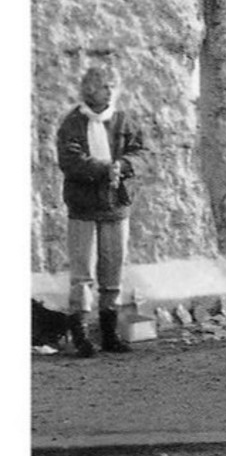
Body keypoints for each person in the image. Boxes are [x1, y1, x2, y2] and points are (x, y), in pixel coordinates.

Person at [55, 65, 145, 357]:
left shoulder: (122, 119)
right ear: (90, 89)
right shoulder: (73, 123)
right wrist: (107, 168)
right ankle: (80, 332)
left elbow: (140, 151)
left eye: (113, 86)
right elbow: (71, 160)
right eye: (105, 86)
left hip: (116, 205)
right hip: (83, 206)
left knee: (113, 269)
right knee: (82, 272)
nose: (110, 91)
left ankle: (109, 332)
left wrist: (125, 165)